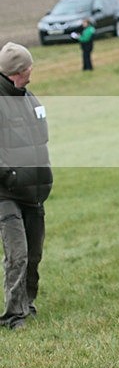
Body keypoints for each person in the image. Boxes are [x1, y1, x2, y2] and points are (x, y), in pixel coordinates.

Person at [0, 43, 53, 329]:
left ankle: (27, 303)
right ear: (19, 70)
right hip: (5, 193)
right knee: (17, 254)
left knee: (34, 254)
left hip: (33, 191)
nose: (32, 68)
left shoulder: (30, 98)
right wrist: (9, 175)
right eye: (29, 65)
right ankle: (13, 315)